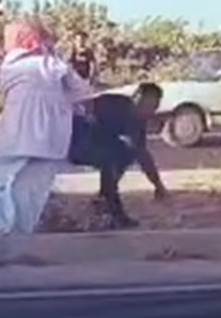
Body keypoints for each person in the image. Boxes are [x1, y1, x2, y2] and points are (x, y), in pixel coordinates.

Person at [0, 19, 92, 235]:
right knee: (32, 186)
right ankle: (21, 232)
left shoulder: (10, 66)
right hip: (55, 137)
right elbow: (82, 92)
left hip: (18, 132)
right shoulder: (56, 65)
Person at [68, 82, 167, 228]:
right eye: (148, 104)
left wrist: (158, 185)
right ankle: (114, 212)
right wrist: (89, 121)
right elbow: (83, 105)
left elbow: (143, 155)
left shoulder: (137, 123)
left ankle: (105, 197)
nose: (150, 110)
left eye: (154, 106)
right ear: (137, 98)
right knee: (111, 159)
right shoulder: (114, 103)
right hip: (74, 142)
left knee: (125, 153)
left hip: (99, 146)